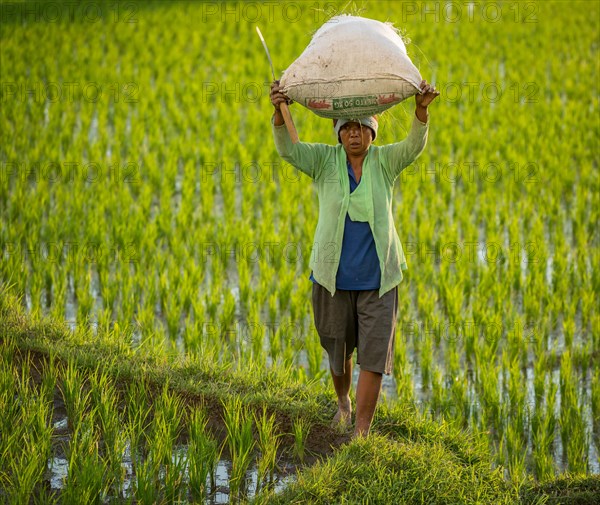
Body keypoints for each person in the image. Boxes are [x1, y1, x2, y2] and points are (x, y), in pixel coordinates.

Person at [270, 79, 439, 437]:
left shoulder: (385, 162)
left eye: (362, 127)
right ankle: (343, 402)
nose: (354, 134)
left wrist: (421, 110)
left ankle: (361, 431)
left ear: (373, 133)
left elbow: (412, 146)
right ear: (338, 133)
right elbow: (290, 151)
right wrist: (279, 112)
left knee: (374, 358)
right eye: (347, 128)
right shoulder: (323, 162)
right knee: (338, 352)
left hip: (379, 280)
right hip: (332, 279)